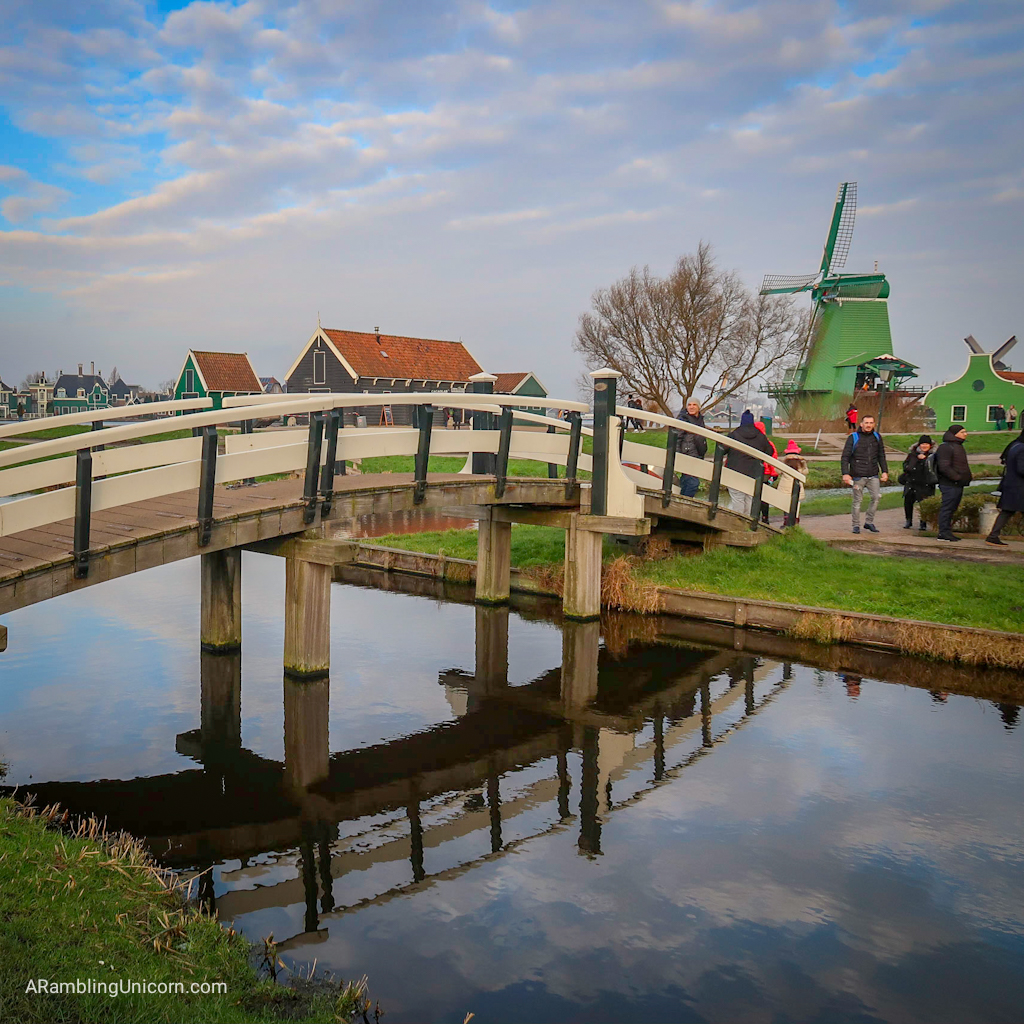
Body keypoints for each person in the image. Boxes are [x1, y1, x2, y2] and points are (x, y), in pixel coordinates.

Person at [840, 413, 889, 534]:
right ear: (861, 424)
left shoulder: (877, 437)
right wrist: (845, 473)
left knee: (876, 497)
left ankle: (869, 522)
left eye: (871, 423)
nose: (868, 425)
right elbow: (845, 457)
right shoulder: (853, 437)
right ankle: (856, 525)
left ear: (874, 424)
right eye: (866, 423)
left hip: (873, 474)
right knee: (857, 501)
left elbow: (881, 455)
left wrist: (885, 471)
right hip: (857, 475)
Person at [724, 410, 773, 516]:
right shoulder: (760, 436)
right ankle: (748, 522)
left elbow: (722, 449)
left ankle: (738, 522)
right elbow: (770, 451)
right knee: (750, 499)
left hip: (735, 472)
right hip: (754, 473)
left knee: (737, 498)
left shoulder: (734, 435)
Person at [985, 427, 1024, 545]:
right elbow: (1022, 469)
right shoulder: (1022, 449)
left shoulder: (1015, 445)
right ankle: (992, 536)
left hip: (1011, 485)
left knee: (1007, 512)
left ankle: (993, 536)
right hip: (1019, 487)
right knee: (1007, 512)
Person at [935, 424, 971, 541]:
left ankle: (947, 531)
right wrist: (956, 477)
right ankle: (943, 533)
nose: (965, 434)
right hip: (949, 484)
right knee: (947, 508)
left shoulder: (958, 446)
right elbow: (944, 466)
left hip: (957, 484)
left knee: (952, 508)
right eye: (962, 432)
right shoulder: (946, 447)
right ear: (955, 434)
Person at [901, 435, 937, 530]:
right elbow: (905, 465)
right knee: (908, 502)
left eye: (926, 444)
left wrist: (924, 459)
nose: (924, 446)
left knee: (924, 504)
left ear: (930, 445)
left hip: (926, 483)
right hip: (912, 482)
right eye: (922, 444)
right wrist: (910, 466)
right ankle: (908, 520)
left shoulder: (933, 455)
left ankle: (923, 522)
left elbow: (934, 468)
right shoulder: (912, 454)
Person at [674, 396, 707, 498]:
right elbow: (677, 438)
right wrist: (678, 454)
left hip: (697, 455)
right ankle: (685, 503)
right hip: (687, 454)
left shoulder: (700, 420)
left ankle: (680, 503)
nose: (691, 407)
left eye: (694, 404)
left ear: (699, 407)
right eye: (689, 405)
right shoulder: (683, 420)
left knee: (686, 481)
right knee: (693, 483)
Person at [778, 439, 808, 526]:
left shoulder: (784, 463)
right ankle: (796, 521)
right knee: (796, 505)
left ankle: (786, 521)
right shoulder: (800, 464)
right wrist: (804, 463)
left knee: (786, 505)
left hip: (785, 489)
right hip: (797, 488)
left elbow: (777, 471)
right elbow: (805, 472)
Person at [754, 420, 778, 524]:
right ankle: (765, 517)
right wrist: (773, 474)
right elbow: (773, 459)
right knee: (764, 497)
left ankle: (755, 516)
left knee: (755, 495)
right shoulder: (769, 444)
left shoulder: (753, 443)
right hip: (766, 473)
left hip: (756, 471)